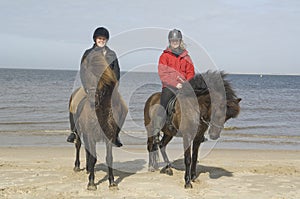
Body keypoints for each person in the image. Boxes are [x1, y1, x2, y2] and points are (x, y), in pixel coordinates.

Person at [67, 27, 123, 147]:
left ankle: (115, 134)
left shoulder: (111, 54)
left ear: (106, 40)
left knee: (123, 107)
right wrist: (87, 87)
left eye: (103, 39)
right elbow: (83, 71)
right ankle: (74, 132)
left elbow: (117, 71)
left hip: (107, 89)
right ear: (95, 39)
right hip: (90, 86)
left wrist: (114, 87)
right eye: (99, 38)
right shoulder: (88, 53)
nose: (101, 40)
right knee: (74, 103)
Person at [153, 29, 195, 143]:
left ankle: (198, 131)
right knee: (164, 103)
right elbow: (163, 73)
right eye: (172, 40)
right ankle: (156, 130)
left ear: (180, 41)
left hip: (184, 86)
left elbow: (191, 72)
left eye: (176, 40)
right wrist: (176, 84)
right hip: (169, 86)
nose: (174, 42)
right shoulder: (164, 56)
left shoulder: (186, 57)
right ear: (169, 41)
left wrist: (187, 84)